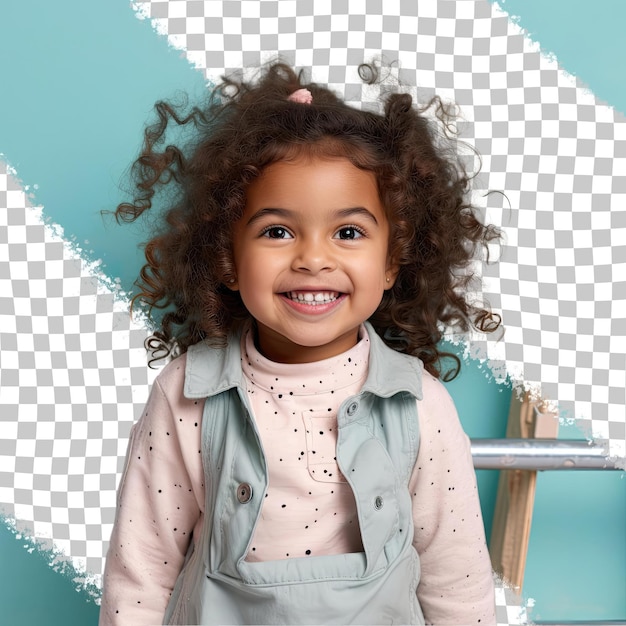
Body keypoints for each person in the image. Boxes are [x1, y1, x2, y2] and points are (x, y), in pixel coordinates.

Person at [99, 62, 501, 625]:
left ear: (391, 263)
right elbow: (142, 567)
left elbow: (457, 580)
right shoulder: (187, 393)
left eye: (348, 232)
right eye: (277, 231)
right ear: (228, 259)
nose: (313, 258)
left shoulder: (418, 404)